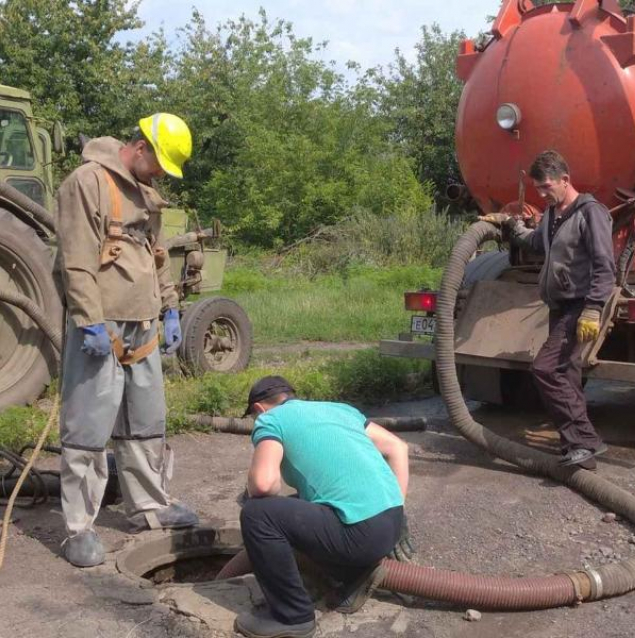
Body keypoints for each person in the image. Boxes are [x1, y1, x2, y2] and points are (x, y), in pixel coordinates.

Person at [54, 113, 199, 568]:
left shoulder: (145, 195)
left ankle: (149, 507)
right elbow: (76, 258)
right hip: (101, 326)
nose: (160, 173)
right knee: (88, 428)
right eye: (158, 163)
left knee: (145, 422)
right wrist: (88, 319)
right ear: (139, 147)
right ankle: (78, 529)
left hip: (143, 326)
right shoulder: (87, 182)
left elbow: (156, 256)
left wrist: (170, 306)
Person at [235, 376, 409, 638]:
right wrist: (397, 509)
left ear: (258, 409)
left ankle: (293, 617)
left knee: (257, 514)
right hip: (393, 523)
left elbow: (263, 484)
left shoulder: (270, 419)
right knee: (297, 505)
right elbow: (398, 447)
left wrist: (251, 493)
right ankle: (352, 573)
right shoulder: (339, 409)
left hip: (361, 535)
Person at [483, 149, 615, 468]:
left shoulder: (590, 212)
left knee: (546, 369)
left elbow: (605, 265)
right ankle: (580, 447)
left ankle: (584, 440)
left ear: (565, 180)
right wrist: (509, 226)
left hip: (579, 306)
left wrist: (594, 309)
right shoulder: (554, 214)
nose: (542, 194)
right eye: (538, 189)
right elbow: (536, 243)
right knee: (566, 374)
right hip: (559, 305)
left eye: (546, 187)